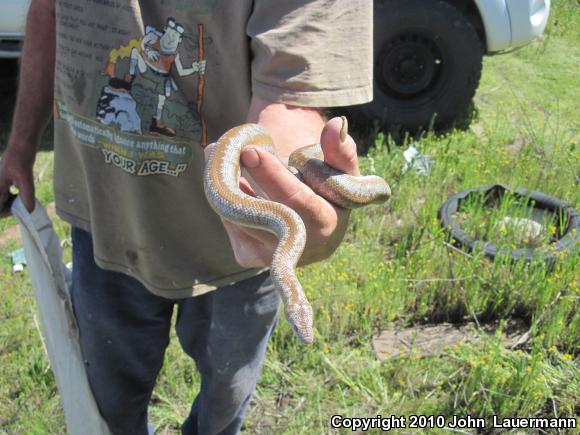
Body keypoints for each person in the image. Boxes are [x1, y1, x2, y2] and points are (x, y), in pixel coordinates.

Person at [0, 0, 372, 434]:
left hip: (238, 249)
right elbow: (48, 10)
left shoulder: (264, 232)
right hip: (103, 219)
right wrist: (20, 145)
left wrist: (290, 193)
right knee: (110, 408)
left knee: (223, 406)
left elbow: (290, 93)